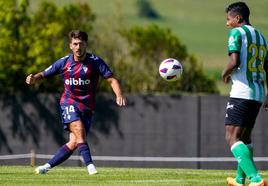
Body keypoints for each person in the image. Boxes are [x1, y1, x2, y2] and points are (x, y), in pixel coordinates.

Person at [26, 30, 127, 175]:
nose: (78, 47)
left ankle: (46, 167)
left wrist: (119, 94)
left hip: (87, 107)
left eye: (81, 43)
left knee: (74, 142)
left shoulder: (95, 62)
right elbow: (44, 73)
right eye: (75, 44)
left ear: (86, 44)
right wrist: (34, 78)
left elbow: (111, 79)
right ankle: (90, 167)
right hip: (69, 102)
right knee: (79, 131)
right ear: (70, 46)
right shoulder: (64, 62)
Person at [222, 2, 268, 186]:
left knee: (231, 137)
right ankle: (240, 179)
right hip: (257, 93)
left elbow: (234, 61)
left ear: (238, 18)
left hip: (242, 91)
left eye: (228, 19)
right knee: (245, 138)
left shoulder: (236, 33)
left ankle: (256, 179)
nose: (227, 23)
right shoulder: (262, 37)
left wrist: (224, 73)